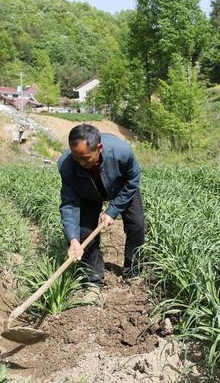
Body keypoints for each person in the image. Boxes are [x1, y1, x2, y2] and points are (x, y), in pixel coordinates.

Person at [57, 124, 145, 304]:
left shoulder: (122, 152)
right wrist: (73, 239)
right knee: (84, 233)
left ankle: (133, 270)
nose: (81, 163)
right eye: (76, 158)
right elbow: (69, 204)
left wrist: (113, 210)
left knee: (137, 225)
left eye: (85, 158)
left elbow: (133, 180)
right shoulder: (66, 166)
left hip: (121, 187)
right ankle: (93, 282)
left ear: (99, 148)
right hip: (87, 193)